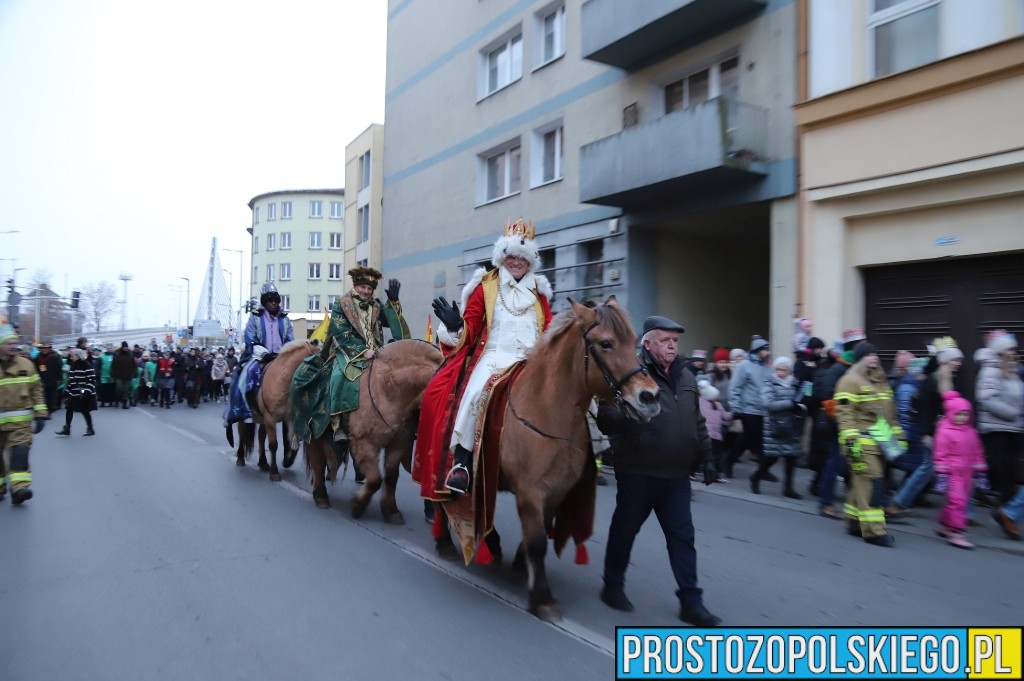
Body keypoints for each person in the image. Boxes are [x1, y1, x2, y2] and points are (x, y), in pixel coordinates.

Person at [596, 315, 721, 627]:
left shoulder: (687, 375)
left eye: (675, 341)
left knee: (683, 538)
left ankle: (691, 602)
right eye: (666, 340)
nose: (672, 345)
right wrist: (622, 418)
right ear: (648, 344)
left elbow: (697, 420)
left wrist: (707, 456)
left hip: (677, 475)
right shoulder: (630, 373)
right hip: (638, 471)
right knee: (625, 531)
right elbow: (605, 417)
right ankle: (613, 585)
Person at [414, 219, 553, 497]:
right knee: (478, 392)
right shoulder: (486, 286)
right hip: (494, 357)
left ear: (529, 261)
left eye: (521, 257)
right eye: (511, 256)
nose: (516, 262)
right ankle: (463, 464)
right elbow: (471, 328)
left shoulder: (540, 294)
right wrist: (456, 324)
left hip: (531, 361)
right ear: (502, 258)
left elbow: (548, 330)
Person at [291, 266, 409, 451]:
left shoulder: (376, 305)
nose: (366, 291)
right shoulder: (342, 303)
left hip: (378, 352)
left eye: (370, 288)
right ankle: (337, 425)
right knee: (338, 376)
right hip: (346, 351)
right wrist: (362, 351)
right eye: (363, 287)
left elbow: (392, 322)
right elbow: (340, 332)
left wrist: (393, 301)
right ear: (356, 286)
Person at [834, 342, 905, 547]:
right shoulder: (849, 381)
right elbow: (845, 414)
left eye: (875, 354)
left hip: (881, 442)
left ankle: (854, 521)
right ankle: (874, 531)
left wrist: (898, 436)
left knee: (861, 483)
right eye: (869, 355)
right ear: (860, 358)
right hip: (860, 442)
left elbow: (890, 415)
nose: (874, 357)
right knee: (873, 484)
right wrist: (851, 442)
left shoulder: (880, 382)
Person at [227, 282, 295, 424]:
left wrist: (286, 353)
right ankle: (242, 409)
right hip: (259, 356)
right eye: (269, 300)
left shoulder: (285, 319)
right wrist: (263, 353)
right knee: (244, 375)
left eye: (275, 300)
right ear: (264, 301)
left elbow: (290, 339)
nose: (273, 303)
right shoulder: (255, 317)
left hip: (280, 357)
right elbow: (250, 338)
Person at [0, 318, 49, 504]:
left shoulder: (26, 365)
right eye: (9, 343)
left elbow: (36, 389)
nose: (14, 346)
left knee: (20, 453)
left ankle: (19, 489)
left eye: (15, 342)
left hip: (20, 423)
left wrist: (41, 413)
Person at [932, 391, 988, 549]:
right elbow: (940, 455)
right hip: (952, 472)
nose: (962, 418)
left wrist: (981, 471)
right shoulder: (944, 432)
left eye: (965, 414)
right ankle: (957, 532)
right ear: (951, 413)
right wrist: (942, 475)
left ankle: (944, 523)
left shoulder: (971, 432)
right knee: (958, 502)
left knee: (956, 501)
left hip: (967, 473)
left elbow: (977, 452)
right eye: (959, 414)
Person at [973, 330, 1022, 506]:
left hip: (1012, 427)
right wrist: (1012, 412)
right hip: (996, 428)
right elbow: (986, 398)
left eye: (1014, 350)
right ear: (1000, 351)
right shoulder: (990, 370)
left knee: (1008, 466)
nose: (1014, 353)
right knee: (1003, 468)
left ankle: (990, 494)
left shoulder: (1011, 370)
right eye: (1010, 350)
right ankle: (1006, 507)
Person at [756, 356, 806, 498]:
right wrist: (790, 404)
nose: (780, 372)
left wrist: (801, 407)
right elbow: (767, 404)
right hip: (775, 426)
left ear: (789, 371)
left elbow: (801, 401)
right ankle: (756, 477)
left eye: (783, 370)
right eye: (777, 369)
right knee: (772, 458)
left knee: (791, 458)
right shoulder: (769, 383)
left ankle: (788, 488)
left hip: (792, 426)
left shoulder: (795, 383)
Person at [727, 335, 772, 483]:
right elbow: (735, 387)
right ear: (758, 350)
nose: (768, 352)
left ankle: (763, 470)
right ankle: (728, 462)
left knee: (762, 441)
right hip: (748, 409)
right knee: (747, 439)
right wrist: (736, 407)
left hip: (763, 410)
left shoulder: (767, 367)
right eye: (765, 350)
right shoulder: (744, 366)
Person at [56, 348, 97, 436]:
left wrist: (86, 391)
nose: (71, 358)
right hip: (74, 393)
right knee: (69, 409)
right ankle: (67, 428)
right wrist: (67, 391)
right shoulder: (73, 366)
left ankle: (90, 428)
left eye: (73, 356)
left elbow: (92, 380)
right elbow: (71, 380)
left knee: (85, 411)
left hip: (84, 394)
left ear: (78, 356)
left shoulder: (87, 366)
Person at [697, 378, 731, 482]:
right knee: (707, 456)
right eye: (716, 396)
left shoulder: (718, 405)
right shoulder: (701, 402)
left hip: (716, 435)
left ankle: (714, 476)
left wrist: (734, 413)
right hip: (706, 434)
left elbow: (725, 416)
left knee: (715, 457)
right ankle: (698, 473)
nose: (717, 397)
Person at [33, 341, 63, 412]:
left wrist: (59, 379)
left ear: (49, 349)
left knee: (51, 397)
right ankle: (42, 411)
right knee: (42, 397)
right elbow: (35, 368)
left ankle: (49, 411)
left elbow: (59, 369)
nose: (45, 350)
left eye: (46, 348)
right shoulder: (38, 358)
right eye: (43, 348)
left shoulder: (54, 357)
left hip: (52, 380)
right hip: (41, 380)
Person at [111, 341, 136, 409]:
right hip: (118, 375)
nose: (126, 348)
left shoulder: (130, 354)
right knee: (118, 388)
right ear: (122, 347)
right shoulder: (117, 354)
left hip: (127, 375)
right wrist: (113, 373)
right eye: (124, 347)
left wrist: (134, 373)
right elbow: (113, 365)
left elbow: (133, 364)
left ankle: (124, 403)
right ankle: (117, 400)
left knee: (126, 390)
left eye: (126, 347)